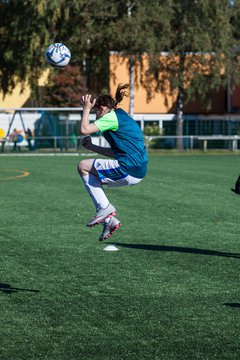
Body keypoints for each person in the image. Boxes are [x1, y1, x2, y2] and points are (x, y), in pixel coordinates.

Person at [77, 83, 148, 241]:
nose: (95, 115)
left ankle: (105, 209)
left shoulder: (110, 117)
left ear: (101, 108)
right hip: (136, 170)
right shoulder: (120, 117)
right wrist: (93, 146)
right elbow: (117, 153)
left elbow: (84, 129)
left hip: (128, 168)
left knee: (82, 166)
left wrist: (86, 108)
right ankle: (109, 220)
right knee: (91, 173)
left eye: (96, 111)